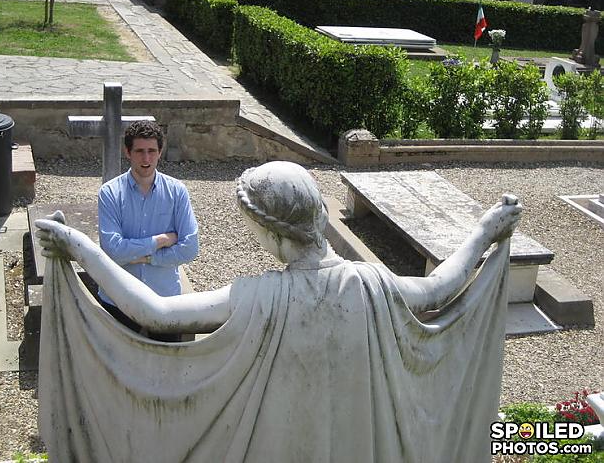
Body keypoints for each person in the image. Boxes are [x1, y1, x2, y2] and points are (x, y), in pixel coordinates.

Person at [36, 161, 522, 462]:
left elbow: (157, 313)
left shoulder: (260, 297)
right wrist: (485, 230)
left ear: (271, 234)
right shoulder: (371, 283)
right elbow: (442, 286)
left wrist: (80, 248)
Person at [97, 120, 199, 336]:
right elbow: (113, 250)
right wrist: (161, 241)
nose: (146, 159)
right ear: (128, 152)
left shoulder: (178, 192)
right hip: (118, 300)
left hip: (165, 301)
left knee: (167, 367)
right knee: (117, 367)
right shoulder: (109, 194)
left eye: (152, 151)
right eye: (140, 151)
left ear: (160, 152)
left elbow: (190, 248)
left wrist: (146, 258)